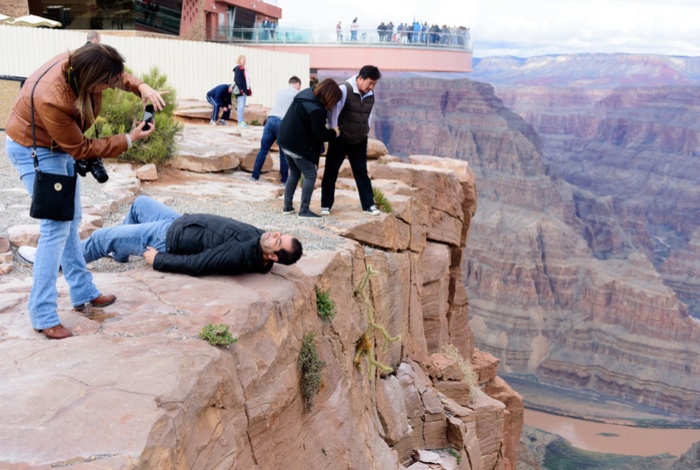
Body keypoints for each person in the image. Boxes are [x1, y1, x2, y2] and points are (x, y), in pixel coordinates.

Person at [4, 43, 166, 339]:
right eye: (110, 84)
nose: (114, 86)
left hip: (59, 144)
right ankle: (42, 314)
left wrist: (141, 86)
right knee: (55, 228)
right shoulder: (53, 99)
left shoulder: (83, 63)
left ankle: (82, 291)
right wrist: (128, 139)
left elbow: (115, 72)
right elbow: (80, 148)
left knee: (72, 219)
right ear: (94, 80)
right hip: (34, 149)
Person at [81, 196, 303, 276]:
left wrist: (158, 259)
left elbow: (198, 264)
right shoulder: (260, 241)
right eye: (280, 234)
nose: (275, 234)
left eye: (278, 240)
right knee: (139, 204)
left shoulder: (240, 254)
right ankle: (120, 253)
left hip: (169, 238)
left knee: (101, 237)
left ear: (274, 257)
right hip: (180, 222)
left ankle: (63, 261)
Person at [321, 65, 382, 217]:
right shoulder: (344, 89)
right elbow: (334, 111)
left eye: (374, 83)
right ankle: (326, 205)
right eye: (370, 82)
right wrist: (334, 130)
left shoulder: (370, 93)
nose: (372, 86)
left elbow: (369, 115)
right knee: (331, 171)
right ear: (360, 78)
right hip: (341, 138)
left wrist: (366, 131)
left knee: (361, 172)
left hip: (360, 139)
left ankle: (368, 205)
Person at [277, 78, 342, 218]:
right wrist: (334, 132)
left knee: (294, 172)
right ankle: (304, 210)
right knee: (310, 174)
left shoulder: (306, 93)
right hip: (296, 145)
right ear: (330, 96)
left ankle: (287, 206)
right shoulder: (316, 109)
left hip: (284, 140)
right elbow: (319, 134)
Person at [250, 76, 302, 184]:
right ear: (297, 84)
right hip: (282, 123)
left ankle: (254, 176)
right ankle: (284, 181)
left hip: (270, 120)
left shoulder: (280, 91)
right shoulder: (296, 94)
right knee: (283, 154)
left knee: (263, 150)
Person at [232, 55, 252, 127]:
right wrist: (241, 90)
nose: (244, 61)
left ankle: (242, 121)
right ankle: (240, 122)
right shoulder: (238, 68)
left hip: (245, 90)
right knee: (240, 106)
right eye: (243, 59)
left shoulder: (244, 69)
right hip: (241, 91)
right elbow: (237, 80)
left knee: (242, 106)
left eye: (245, 59)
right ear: (239, 60)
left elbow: (246, 80)